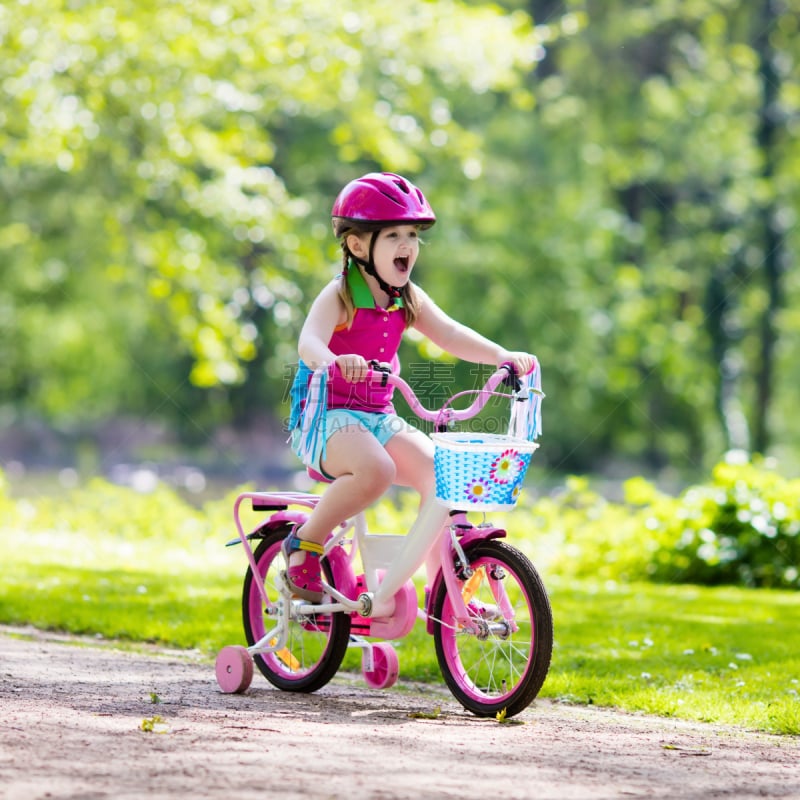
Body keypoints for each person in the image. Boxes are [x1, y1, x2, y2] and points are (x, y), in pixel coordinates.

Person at [285, 172, 535, 602]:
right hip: (326, 418)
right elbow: (308, 340)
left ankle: (445, 592)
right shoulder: (340, 294)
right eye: (394, 235)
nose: (408, 246)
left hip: (378, 417)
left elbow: (451, 334)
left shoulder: (407, 298)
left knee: (444, 478)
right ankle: (303, 544)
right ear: (359, 246)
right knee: (376, 470)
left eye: (414, 235)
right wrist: (333, 360)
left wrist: (500, 355)